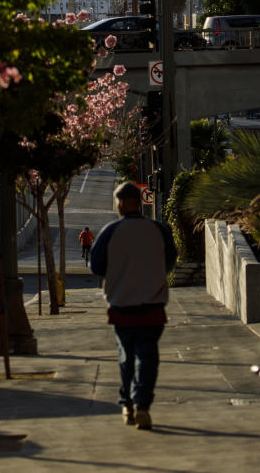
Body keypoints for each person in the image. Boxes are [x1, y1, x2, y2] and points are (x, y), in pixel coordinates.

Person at [89, 182, 177, 430]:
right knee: (148, 357)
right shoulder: (158, 229)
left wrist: (118, 273)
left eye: (117, 202)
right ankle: (143, 407)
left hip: (122, 304)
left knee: (126, 357)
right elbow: (170, 261)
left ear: (122, 203)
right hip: (152, 304)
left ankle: (127, 403)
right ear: (138, 202)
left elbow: (96, 266)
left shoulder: (110, 231)